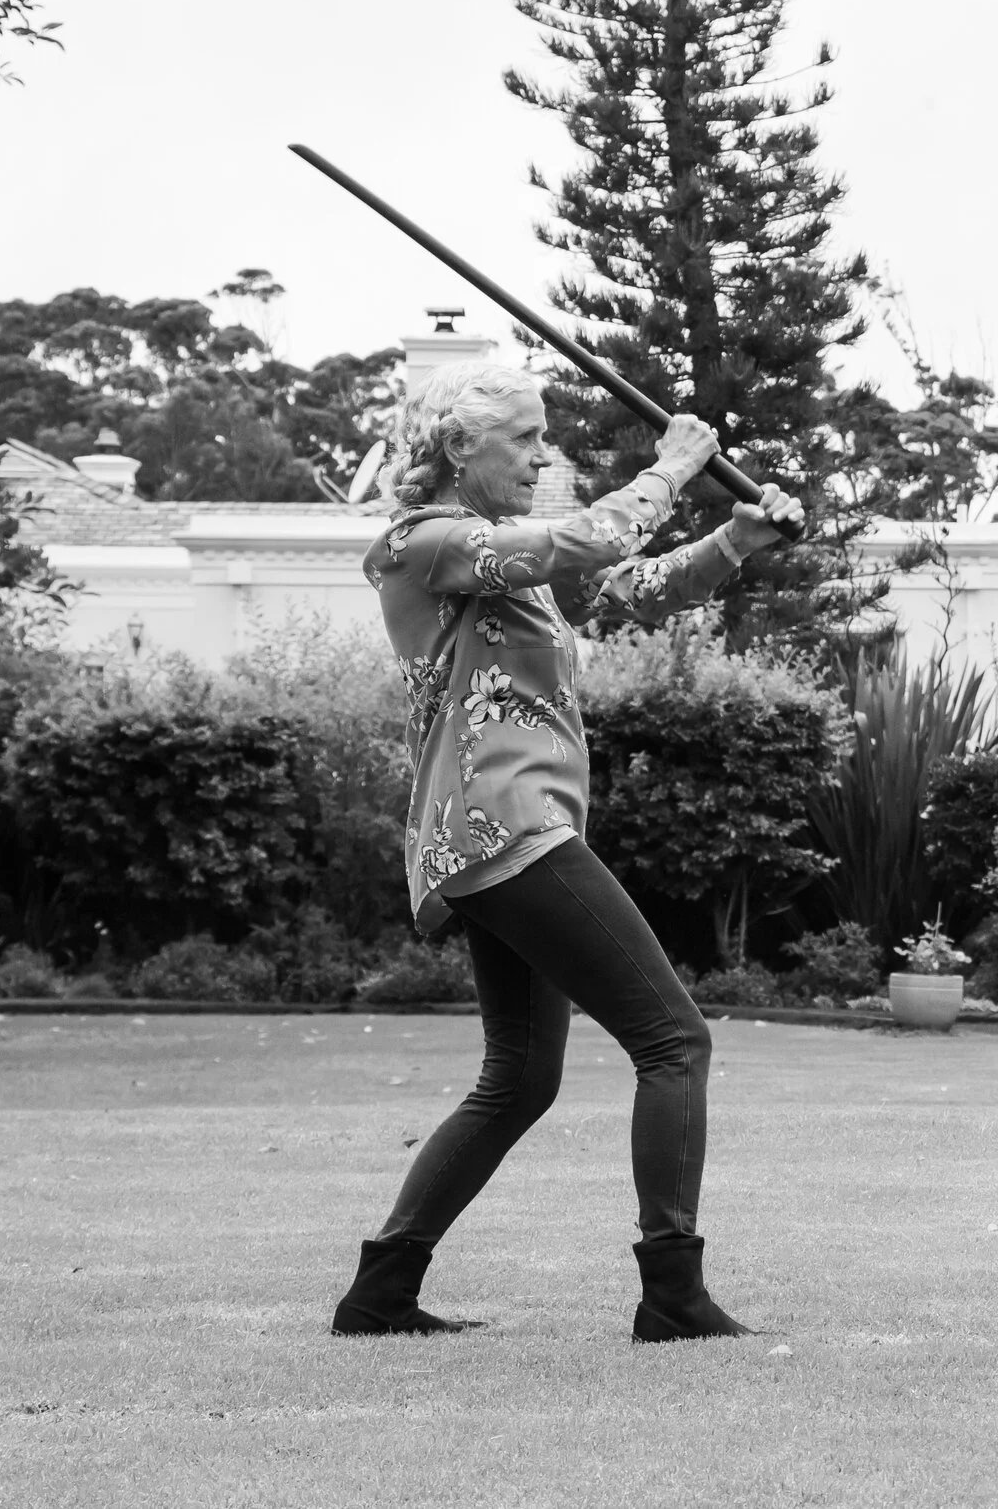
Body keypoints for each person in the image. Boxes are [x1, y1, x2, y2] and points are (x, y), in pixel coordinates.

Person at [327, 361, 801, 1343]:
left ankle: (379, 1291)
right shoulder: (433, 543)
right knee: (674, 1040)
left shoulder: (513, 573)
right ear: (461, 448)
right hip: (505, 826)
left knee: (521, 1076)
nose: (544, 454)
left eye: (546, 436)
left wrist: (734, 539)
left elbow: (628, 586)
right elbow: (591, 532)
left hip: (501, 831)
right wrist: (674, 465)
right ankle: (671, 1291)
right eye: (526, 438)